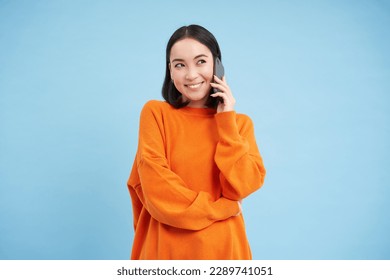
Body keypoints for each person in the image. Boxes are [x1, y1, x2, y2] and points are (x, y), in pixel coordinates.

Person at [127, 24, 266, 260]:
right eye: (180, 65)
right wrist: (223, 207)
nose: (191, 75)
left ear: (217, 65)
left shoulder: (239, 124)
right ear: (170, 71)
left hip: (225, 252)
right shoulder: (156, 113)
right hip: (165, 251)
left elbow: (242, 185)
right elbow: (158, 191)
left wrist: (226, 120)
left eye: (201, 61)